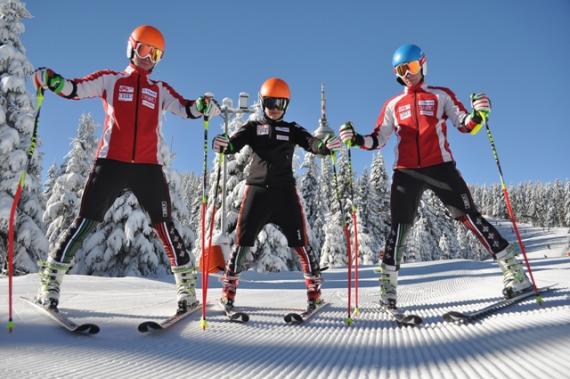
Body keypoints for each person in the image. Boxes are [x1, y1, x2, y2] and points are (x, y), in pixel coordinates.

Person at [33, 25, 220, 313]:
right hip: (110, 164)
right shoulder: (111, 80)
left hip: (148, 168)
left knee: (165, 226)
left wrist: (204, 106)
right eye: (144, 49)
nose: (148, 57)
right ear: (132, 48)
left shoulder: (159, 90)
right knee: (85, 222)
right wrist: (54, 81)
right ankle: (51, 282)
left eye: (155, 53)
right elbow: (75, 88)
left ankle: (186, 288)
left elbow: (186, 108)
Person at [339, 44, 531, 310]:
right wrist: (357, 139)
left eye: (412, 67)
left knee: (470, 218)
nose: (407, 74)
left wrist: (478, 114)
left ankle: (515, 274)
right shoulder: (393, 105)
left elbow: (464, 124)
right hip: (406, 172)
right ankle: (388, 290)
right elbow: (378, 138)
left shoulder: (441, 96)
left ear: (423, 65)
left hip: (441, 167)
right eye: (400, 70)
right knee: (399, 228)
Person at [212, 78, 341, 311]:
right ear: (262, 102)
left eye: (280, 103)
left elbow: (311, 142)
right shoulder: (253, 128)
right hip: (257, 192)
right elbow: (233, 144)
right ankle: (228, 294)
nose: (274, 108)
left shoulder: (291, 129)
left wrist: (324, 147)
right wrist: (223, 145)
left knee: (300, 243)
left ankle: (314, 295)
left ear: (286, 105)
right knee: (242, 242)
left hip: (285, 194)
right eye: (270, 102)